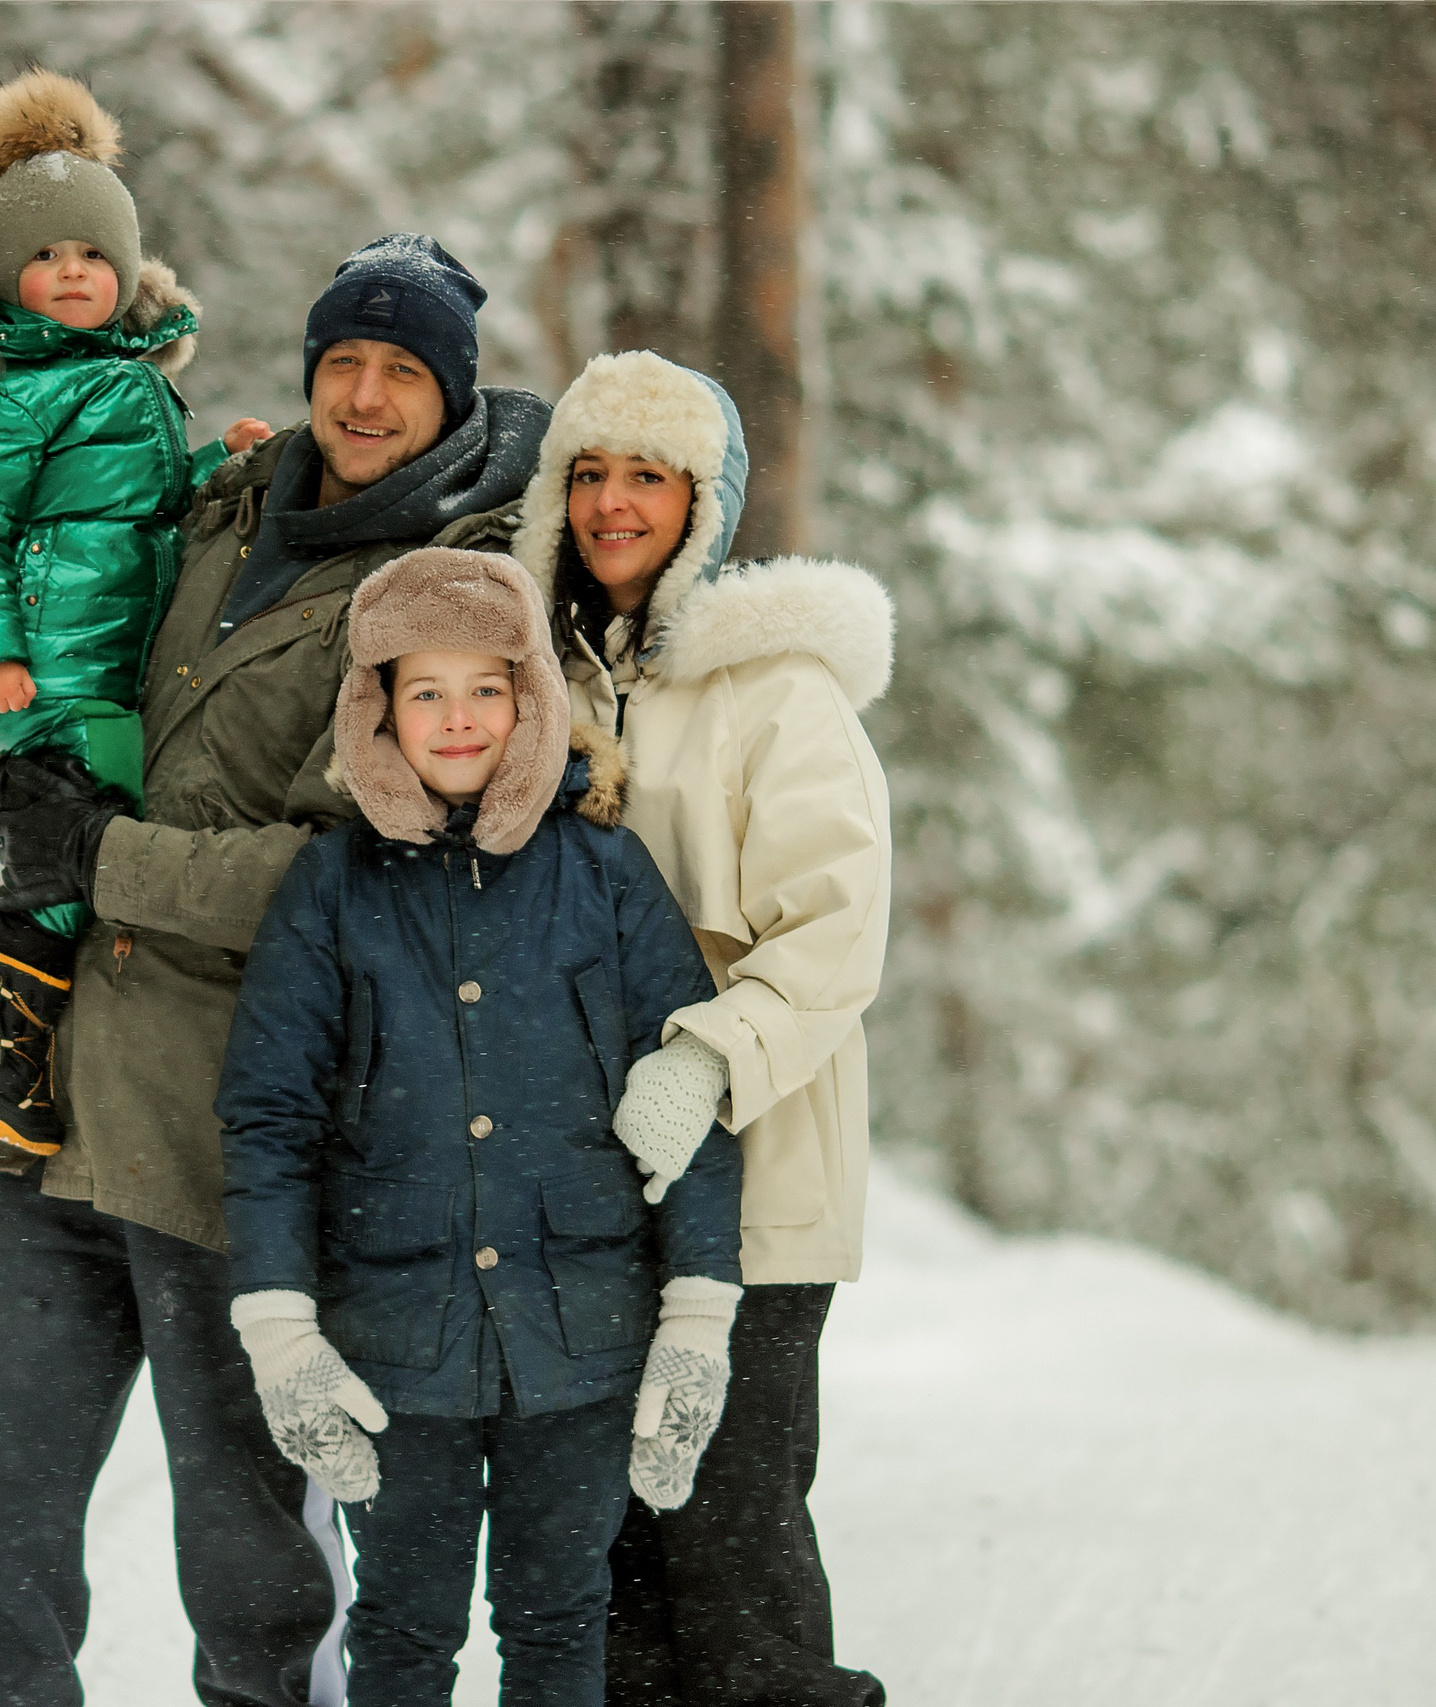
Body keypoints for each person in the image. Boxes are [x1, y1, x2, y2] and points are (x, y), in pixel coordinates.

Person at [0, 236, 552, 1706]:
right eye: (343, 361)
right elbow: (67, 604)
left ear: (451, 395)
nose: (366, 394)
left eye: (403, 370)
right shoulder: (226, 500)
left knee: (253, 1551)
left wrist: (105, 858)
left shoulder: (450, 600)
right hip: (44, 1086)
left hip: (237, 1124)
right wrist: (31, 778)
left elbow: (351, 874)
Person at [213, 547, 747, 1707]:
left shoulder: (605, 874)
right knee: (402, 1635)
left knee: (559, 1626)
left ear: (532, 701)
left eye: (485, 689)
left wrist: (697, 1316)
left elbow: (687, 1096)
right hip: (393, 1343)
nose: (457, 720)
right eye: (424, 692)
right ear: (378, 712)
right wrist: (281, 1336)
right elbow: (267, 1119)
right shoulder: (329, 888)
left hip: (585, 1343)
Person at [509, 350, 896, 1707]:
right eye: (591, 471)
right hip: (582, 1195)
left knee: (734, 1558)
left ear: (704, 500)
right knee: (606, 1572)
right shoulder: (530, 676)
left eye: (650, 476)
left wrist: (707, 1056)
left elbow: (835, 929)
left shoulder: (775, 690)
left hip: (757, 1186)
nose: (616, 502)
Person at [0, 68, 272, 1161]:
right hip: (52, 670)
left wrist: (222, 466)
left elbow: (150, 515)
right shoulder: (2, 391)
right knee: (80, 854)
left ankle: (7, 1045)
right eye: (42, 257)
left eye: (89, 254)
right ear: (3, 278)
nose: (69, 272)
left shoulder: (119, 376)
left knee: (95, 853)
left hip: (116, 660)